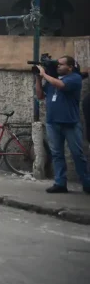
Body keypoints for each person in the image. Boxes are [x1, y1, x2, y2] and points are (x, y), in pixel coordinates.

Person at [35, 56, 90, 194]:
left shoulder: (75, 78)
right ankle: (60, 183)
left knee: (78, 154)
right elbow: (40, 95)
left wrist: (44, 74)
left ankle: (87, 183)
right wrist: (38, 79)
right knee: (57, 154)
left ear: (70, 67)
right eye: (57, 64)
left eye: (61, 64)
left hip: (70, 123)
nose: (58, 66)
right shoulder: (52, 80)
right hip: (52, 123)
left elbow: (61, 86)